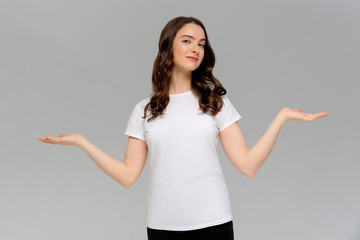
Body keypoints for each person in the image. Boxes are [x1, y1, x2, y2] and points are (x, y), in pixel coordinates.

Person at [38, 16, 329, 240]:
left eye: (201, 43)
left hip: (213, 224)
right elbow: (128, 176)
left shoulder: (215, 104)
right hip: (162, 227)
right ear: (169, 46)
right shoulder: (145, 110)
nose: (196, 49)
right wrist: (81, 142)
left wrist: (280, 119)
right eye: (188, 41)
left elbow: (248, 165)